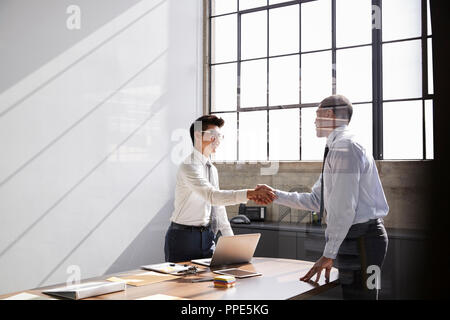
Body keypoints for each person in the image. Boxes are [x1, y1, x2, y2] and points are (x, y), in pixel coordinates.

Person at [255, 95, 389, 300]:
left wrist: (328, 253)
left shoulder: (345, 148)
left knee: (363, 297)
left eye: (317, 114)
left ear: (329, 114)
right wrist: (274, 195)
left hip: (364, 239)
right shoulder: (335, 148)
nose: (315, 121)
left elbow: (344, 207)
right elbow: (317, 201)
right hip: (354, 236)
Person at [164, 115, 276, 263]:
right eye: (213, 135)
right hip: (183, 238)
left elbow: (218, 208)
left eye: (220, 136)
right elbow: (212, 196)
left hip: (207, 237)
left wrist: (233, 243)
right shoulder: (189, 166)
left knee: (212, 283)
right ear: (198, 135)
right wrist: (249, 194)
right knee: (181, 286)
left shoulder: (212, 169)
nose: (217, 140)